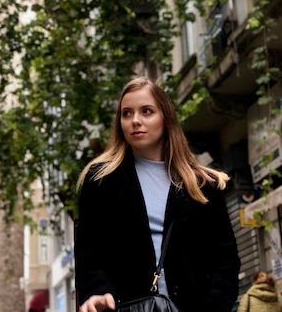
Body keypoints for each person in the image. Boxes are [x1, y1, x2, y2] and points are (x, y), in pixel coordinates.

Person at [75, 76, 240, 312]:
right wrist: (97, 292)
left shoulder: (203, 184)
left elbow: (224, 260)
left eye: (146, 111)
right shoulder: (101, 180)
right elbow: (89, 253)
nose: (135, 121)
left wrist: (213, 306)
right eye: (127, 113)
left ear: (166, 118)